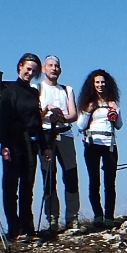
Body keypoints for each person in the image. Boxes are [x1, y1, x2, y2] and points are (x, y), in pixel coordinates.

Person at [0, 54, 47, 242]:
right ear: (20, 67)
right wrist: (4, 145)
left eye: (34, 70)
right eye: (28, 68)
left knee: (27, 187)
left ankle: (29, 228)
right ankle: (14, 229)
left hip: (31, 144)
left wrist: (44, 146)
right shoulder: (9, 91)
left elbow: (37, 121)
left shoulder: (33, 93)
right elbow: (3, 120)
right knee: (10, 186)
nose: (30, 73)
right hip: (13, 143)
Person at [38, 55, 80, 234]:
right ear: (43, 68)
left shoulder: (67, 89)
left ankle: (72, 217)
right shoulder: (37, 88)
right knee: (48, 176)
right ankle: (52, 217)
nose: (54, 68)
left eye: (56, 66)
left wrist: (60, 116)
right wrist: (47, 111)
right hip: (45, 135)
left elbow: (74, 115)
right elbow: (35, 115)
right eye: (50, 65)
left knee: (70, 175)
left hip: (65, 133)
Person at [77, 70, 121, 227]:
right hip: (92, 143)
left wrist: (115, 111)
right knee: (94, 180)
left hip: (109, 144)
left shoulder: (112, 102)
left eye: (102, 82)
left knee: (110, 182)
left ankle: (109, 216)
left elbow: (119, 125)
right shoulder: (87, 103)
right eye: (97, 82)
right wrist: (89, 110)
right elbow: (80, 125)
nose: (100, 85)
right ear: (92, 84)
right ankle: (98, 215)